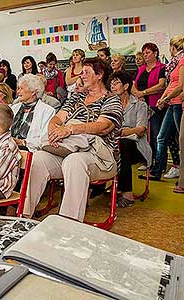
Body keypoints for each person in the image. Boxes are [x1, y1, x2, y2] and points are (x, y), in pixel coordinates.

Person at [24, 57, 123, 221]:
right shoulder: (77, 97)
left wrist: (70, 129)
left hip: (100, 157)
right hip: (69, 150)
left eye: (86, 72)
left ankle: (69, 222)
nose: (81, 75)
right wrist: (53, 131)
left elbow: (103, 126)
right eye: (82, 72)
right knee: (39, 158)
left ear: (99, 75)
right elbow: (57, 119)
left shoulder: (111, 99)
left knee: (74, 161)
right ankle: (24, 214)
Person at [141, 36, 184, 181]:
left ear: (174, 47)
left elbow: (179, 86)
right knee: (161, 137)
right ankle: (157, 171)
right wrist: (164, 98)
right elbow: (171, 83)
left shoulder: (181, 61)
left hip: (177, 103)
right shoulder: (175, 63)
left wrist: (164, 98)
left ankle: (180, 172)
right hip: (171, 103)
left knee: (180, 140)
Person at [109, 71, 152, 207]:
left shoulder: (140, 105)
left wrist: (121, 132)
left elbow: (140, 130)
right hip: (116, 144)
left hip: (136, 147)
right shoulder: (110, 106)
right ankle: (97, 187)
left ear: (126, 86)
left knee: (124, 144)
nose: (112, 87)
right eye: (111, 84)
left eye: (116, 83)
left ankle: (128, 194)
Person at [132, 43, 167, 170]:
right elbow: (134, 84)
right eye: (144, 53)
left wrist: (144, 92)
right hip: (142, 106)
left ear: (155, 53)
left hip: (156, 105)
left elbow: (161, 85)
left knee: (157, 135)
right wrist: (137, 94)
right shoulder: (141, 69)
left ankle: (159, 164)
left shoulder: (162, 67)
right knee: (145, 135)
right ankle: (148, 161)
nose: (145, 55)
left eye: (148, 52)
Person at [10, 74, 55, 151]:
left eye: (21, 88)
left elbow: (45, 139)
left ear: (33, 92)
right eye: (18, 88)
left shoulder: (47, 111)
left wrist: (23, 142)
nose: (18, 92)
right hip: (9, 149)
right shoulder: (13, 108)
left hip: (31, 152)